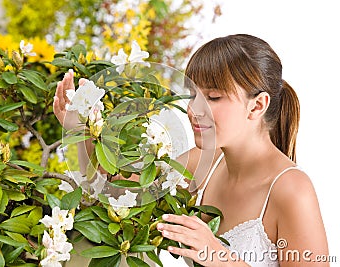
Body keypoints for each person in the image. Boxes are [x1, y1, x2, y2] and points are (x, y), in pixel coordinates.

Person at [53, 34, 329, 266]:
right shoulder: (200, 165)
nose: (193, 110)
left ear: (257, 106)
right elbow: (110, 194)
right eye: (192, 95)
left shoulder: (291, 189)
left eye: (213, 97)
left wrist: (224, 260)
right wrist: (82, 131)